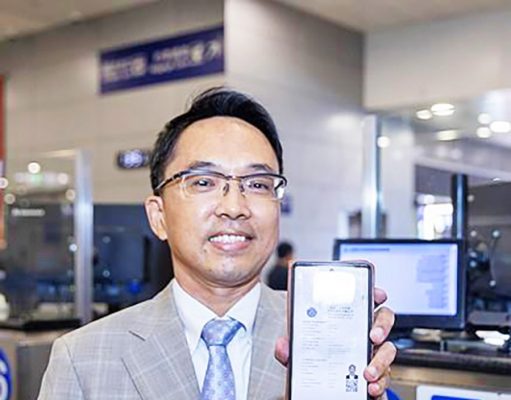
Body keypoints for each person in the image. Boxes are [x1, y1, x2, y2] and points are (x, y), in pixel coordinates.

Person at [38, 88, 396, 399]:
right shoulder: (82, 358)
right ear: (158, 216)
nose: (234, 207)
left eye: (257, 184)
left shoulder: (325, 336)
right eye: (204, 182)